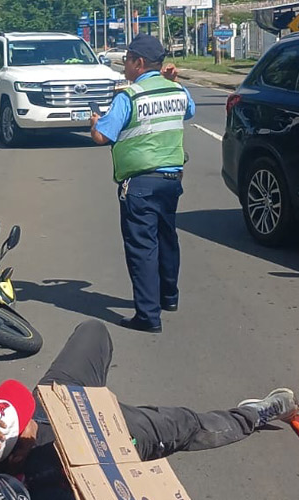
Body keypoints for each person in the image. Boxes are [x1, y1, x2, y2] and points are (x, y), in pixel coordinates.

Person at [0, 319, 299, 499]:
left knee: (93, 332)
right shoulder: (49, 488)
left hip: (57, 400)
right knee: (183, 425)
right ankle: (254, 414)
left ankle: (92, 398)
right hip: (107, 440)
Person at [90, 34, 196, 333]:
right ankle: (169, 297)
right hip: (171, 180)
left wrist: (95, 123)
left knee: (142, 247)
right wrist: (173, 80)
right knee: (166, 237)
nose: (123, 66)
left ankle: (148, 316)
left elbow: (102, 137)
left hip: (140, 184)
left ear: (139, 63)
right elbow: (189, 111)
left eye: (126, 60)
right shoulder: (176, 90)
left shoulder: (130, 96)